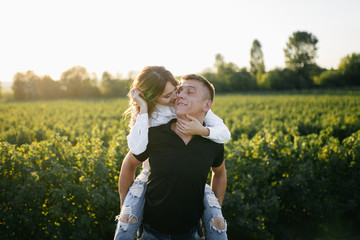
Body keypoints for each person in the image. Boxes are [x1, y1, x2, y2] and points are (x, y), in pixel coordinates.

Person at [114, 67, 229, 239]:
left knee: (218, 227)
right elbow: (129, 164)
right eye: (179, 91)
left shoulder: (212, 141)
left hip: (190, 232)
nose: (179, 95)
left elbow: (219, 173)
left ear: (207, 105)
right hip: (152, 232)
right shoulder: (154, 133)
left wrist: (212, 211)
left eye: (188, 92)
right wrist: (127, 208)